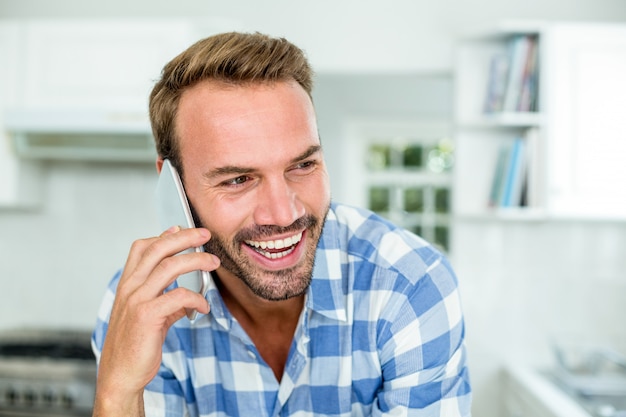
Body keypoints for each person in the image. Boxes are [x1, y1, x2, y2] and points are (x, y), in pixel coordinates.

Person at [91, 31, 472, 417]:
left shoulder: (409, 288)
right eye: (237, 179)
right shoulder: (143, 308)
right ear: (173, 187)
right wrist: (117, 392)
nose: (284, 213)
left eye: (303, 165)